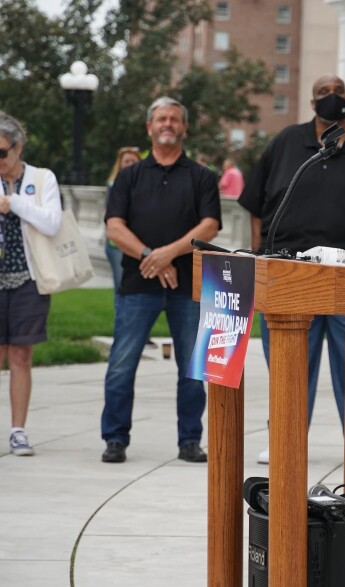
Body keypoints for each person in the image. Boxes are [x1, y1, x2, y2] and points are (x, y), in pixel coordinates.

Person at [238, 74, 345, 465]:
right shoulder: (285, 144)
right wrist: (258, 255)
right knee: (288, 363)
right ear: (311, 103)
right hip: (291, 275)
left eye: (338, 93)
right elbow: (257, 207)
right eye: (323, 94)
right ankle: (284, 434)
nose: (332, 99)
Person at [101, 97, 222, 464]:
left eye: (174, 119)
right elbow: (114, 227)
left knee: (191, 368)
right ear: (149, 128)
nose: (167, 124)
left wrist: (166, 254)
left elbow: (210, 226)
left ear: (184, 128)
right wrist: (148, 257)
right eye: (161, 119)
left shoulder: (201, 176)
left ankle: (190, 441)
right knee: (122, 365)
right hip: (137, 287)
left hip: (188, 286)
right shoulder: (129, 176)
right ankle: (115, 439)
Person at [0, 111, 62, 456]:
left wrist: (14, 203)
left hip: (29, 278)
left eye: (2, 153)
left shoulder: (41, 179)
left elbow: (51, 223)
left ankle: (18, 431)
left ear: (18, 147)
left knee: (21, 355)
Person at [104, 147, 142, 291]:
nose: (130, 164)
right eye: (127, 161)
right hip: (117, 245)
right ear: (120, 164)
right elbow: (107, 215)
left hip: (141, 242)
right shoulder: (113, 186)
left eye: (134, 161)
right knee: (121, 285)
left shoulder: (147, 186)